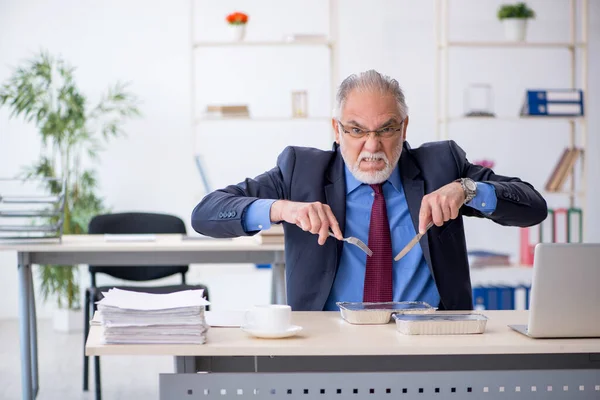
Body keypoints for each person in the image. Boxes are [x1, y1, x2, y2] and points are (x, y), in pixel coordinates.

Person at [191, 70, 548, 311]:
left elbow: (532, 207)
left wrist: (468, 189)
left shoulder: (442, 165)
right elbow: (206, 214)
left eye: (386, 129)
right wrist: (282, 210)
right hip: (329, 349)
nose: (371, 145)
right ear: (337, 129)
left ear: (404, 127)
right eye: (356, 130)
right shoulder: (302, 171)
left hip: (431, 346)